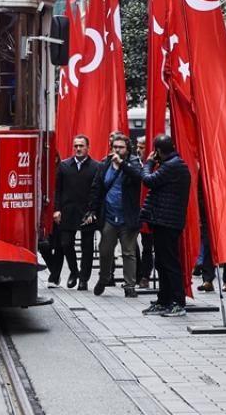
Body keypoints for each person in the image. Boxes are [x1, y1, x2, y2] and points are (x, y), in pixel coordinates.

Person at [140, 135, 190, 317]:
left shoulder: (172, 166)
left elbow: (148, 180)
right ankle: (164, 300)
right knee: (162, 262)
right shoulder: (174, 164)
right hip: (163, 220)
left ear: (158, 151)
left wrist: (148, 163)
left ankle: (177, 301)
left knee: (169, 263)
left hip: (167, 222)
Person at [88, 134, 143, 298]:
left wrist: (122, 164)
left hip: (128, 216)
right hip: (109, 215)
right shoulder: (105, 163)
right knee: (105, 250)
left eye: (121, 147)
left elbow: (138, 176)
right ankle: (104, 278)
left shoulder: (133, 162)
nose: (118, 150)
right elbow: (97, 187)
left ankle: (129, 286)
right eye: (115, 147)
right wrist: (92, 210)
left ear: (127, 149)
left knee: (129, 252)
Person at [51, 135, 98, 290]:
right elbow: (58, 190)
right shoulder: (64, 166)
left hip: (87, 212)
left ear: (87, 147)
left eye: (81, 146)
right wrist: (56, 209)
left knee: (87, 246)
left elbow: (97, 192)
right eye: (76, 145)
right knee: (66, 243)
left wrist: (93, 211)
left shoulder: (95, 167)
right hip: (67, 211)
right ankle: (74, 272)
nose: (78, 148)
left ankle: (84, 279)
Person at [133, 136, 154, 291]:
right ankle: (138, 273)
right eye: (138, 147)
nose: (139, 150)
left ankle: (145, 276)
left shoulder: (153, 166)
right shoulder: (134, 163)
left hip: (150, 211)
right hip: (134, 210)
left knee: (148, 245)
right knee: (132, 245)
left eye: (142, 147)